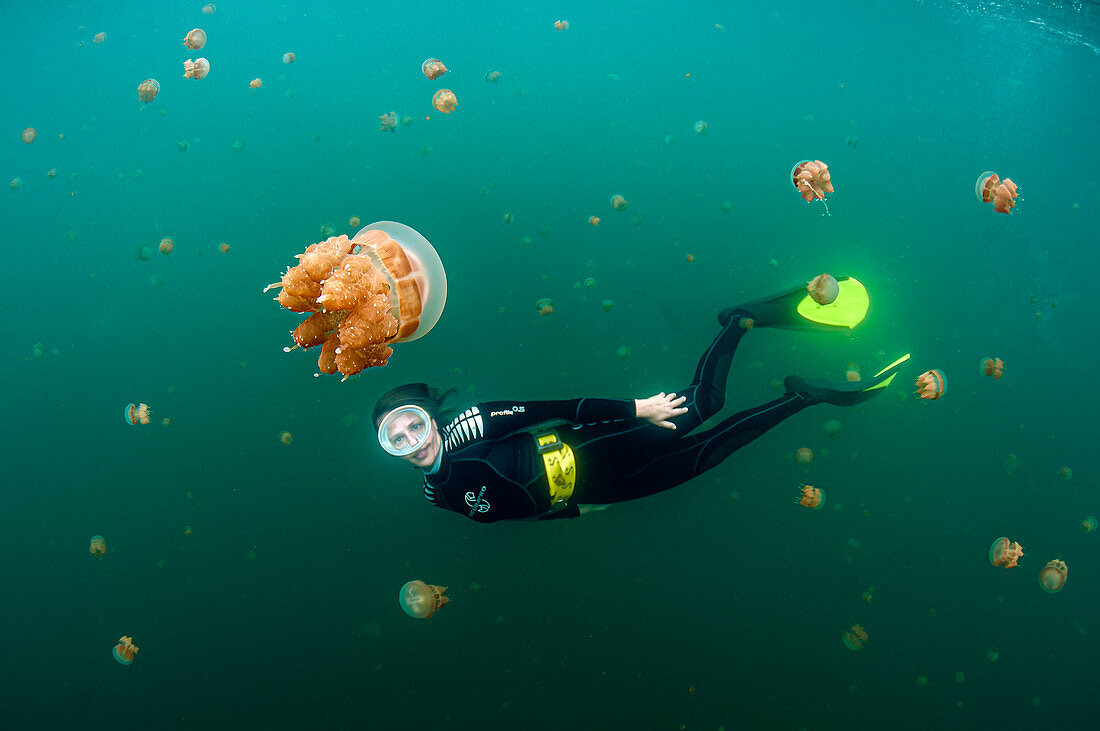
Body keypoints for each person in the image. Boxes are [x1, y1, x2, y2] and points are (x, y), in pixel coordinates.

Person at [372, 278, 909, 523]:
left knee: (706, 400)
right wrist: (578, 510)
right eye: (395, 440)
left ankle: (738, 321)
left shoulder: (468, 426)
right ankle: (800, 398)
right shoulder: (435, 496)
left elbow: (551, 407)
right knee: (709, 455)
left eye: (412, 425)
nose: (409, 442)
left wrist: (637, 409)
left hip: (597, 444)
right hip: (598, 488)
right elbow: (515, 509)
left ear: (430, 418)